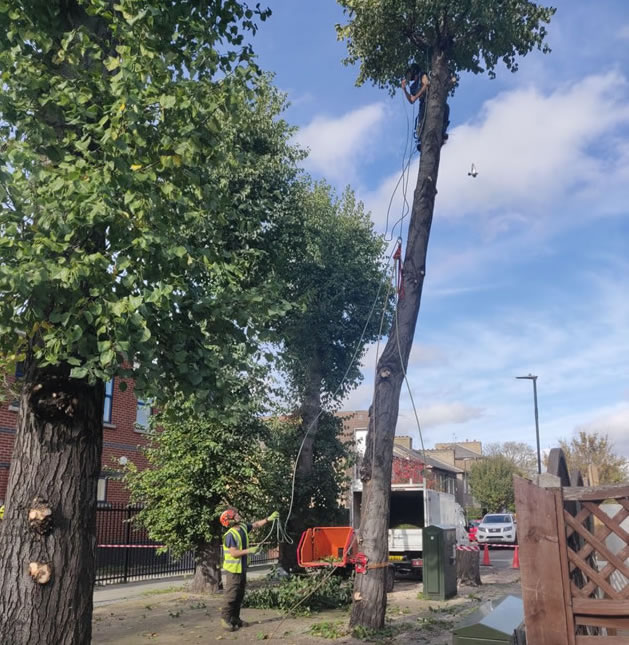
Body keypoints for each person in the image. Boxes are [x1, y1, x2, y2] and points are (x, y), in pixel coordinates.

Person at [220, 507, 279, 632]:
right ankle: (225, 619)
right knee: (231, 595)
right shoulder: (230, 535)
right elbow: (234, 553)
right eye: (235, 515)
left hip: (242, 568)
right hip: (233, 570)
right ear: (230, 520)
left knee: (240, 594)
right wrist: (249, 550)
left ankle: (235, 618)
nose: (238, 515)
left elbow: (255, 524)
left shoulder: (242, 527)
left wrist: (268, 519)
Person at [401, 64, 450, 151]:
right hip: (423, 103)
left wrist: (416, 96)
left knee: (446, 108)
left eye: (409, 74)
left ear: (414, 71)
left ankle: (442, 131)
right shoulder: (412, 87)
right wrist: (404, 90)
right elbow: (411, 100)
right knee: (421, 119)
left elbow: (426, 83)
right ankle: (421, 139)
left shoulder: (422, 75)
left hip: (431, 98)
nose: (409, 77)